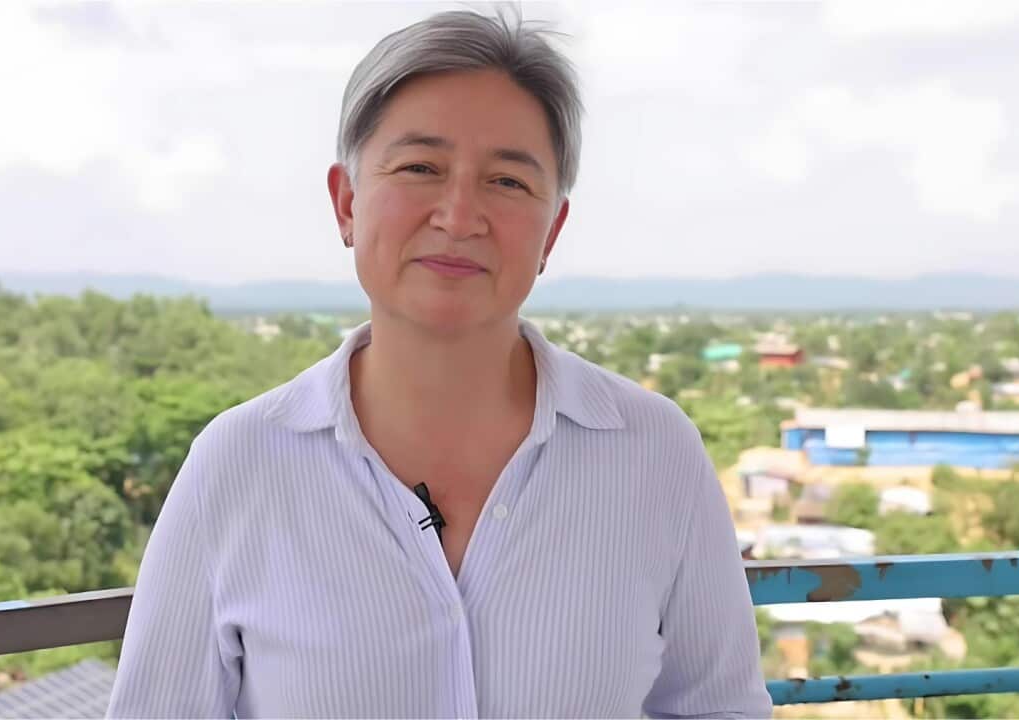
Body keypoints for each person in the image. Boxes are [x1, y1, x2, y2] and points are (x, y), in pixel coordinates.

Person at [107, 8, 772, 719]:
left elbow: (720, 708)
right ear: (346, 203)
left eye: (507, 181)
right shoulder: (238, 465)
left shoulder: (655, 452)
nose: (458, 216)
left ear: (552, 230)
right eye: (420, 168)